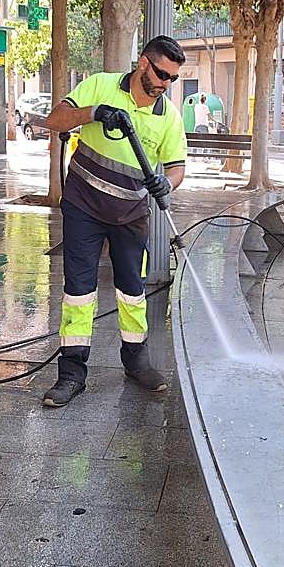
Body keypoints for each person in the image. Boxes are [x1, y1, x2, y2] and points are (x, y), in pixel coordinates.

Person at [41, 36, 188, 408]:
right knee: (78, 291)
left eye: (172, 78)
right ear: (143, 64)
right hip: (83, 208)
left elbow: (177, 167)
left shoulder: (167, 115)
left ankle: (136, 361)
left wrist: (165, 183)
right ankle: (72, 373)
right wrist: (93, 113)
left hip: (130, 215)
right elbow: (55, 119)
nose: (165, 84)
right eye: (161, 74)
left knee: (132, 289)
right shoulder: (101, 84)